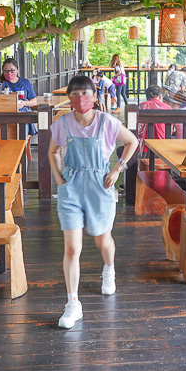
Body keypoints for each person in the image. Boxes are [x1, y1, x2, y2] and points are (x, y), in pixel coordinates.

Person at [49, 75, 138, 329]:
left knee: (102, 239)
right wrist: (60, 180)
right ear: (69, 99)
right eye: (75, 94)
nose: (80, 99)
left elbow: (132, 141)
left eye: (85, 94)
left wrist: (118, 168)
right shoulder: (62, 123)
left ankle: (109, 268)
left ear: (95, 98)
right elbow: (52, 152)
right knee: (72, 248)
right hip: (71, 188)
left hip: (101, 186)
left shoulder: (107, 122)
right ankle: (73, 303)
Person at [0, 57, 37, 136]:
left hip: (21, 114)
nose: (9, 73)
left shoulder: (25, 82)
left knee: (21, 133)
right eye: (6, 70)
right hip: (5, 114)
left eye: (12, 70)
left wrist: (24, 103)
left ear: (17, 70)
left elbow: (34, 101)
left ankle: (23, 146)